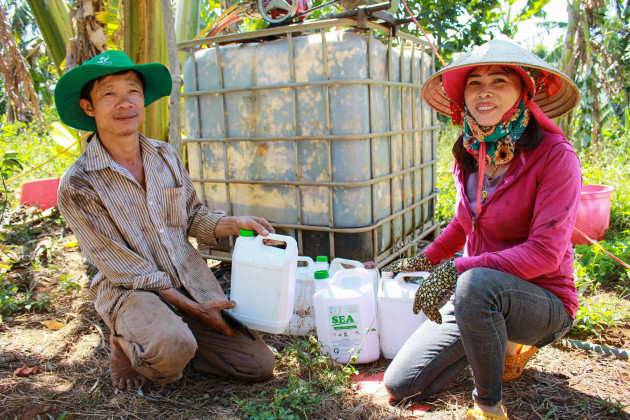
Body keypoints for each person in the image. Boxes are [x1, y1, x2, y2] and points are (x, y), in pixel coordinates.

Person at [381, 38, 581, 419]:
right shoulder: (471, 154)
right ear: (463, 96)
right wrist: (424, 260)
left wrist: (456, 269)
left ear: (524, 92)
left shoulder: (556, 157)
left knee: (474, 285)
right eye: (474, 82)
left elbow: (545, 253)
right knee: (401, 385)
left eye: (500, 80)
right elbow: (463, 222)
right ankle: (493, 341)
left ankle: (488, 406)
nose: (484, 90)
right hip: (480, 295)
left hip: (542, 299)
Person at [54, 50, 276, 390]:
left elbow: (193, 218)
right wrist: (188, 306)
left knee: (258, 365)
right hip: (131, 292)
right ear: (89, 107)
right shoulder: (79, 183)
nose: (124, 102)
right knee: (170, 350)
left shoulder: (164, 155)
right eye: (109, 94)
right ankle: (127, 343)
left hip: (188, 280)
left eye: (132, 91)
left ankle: (175, 338)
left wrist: (233, 223)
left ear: (143, 99)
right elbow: (125, 267)